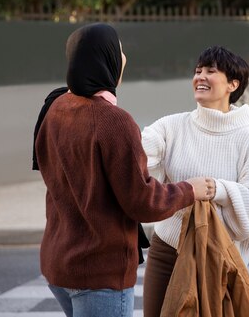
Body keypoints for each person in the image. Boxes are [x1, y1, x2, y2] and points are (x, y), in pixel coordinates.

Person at [33, 23, 214, 317]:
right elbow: (142, 202)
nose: (124, 57)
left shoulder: (55, 107)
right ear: (107, 59)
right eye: (119, 50)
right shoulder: (113, 121)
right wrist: (189, 189)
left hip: (59, 264)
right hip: (99, 273)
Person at [141, 45, 249, 317]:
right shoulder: (172, 126)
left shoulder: (248, 139)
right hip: (167, 249)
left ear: (232, 85)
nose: (200, 76)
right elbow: (138, 156)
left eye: (211, 71)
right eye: (197, 71)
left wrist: (218, 189)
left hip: (217, 255)